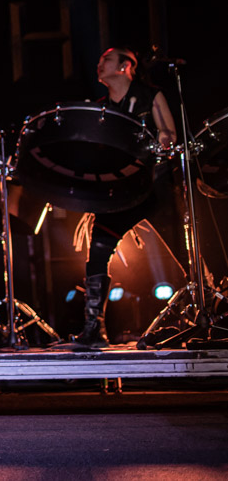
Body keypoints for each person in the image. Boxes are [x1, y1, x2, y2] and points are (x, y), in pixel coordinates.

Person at [70, 47, 178, 347]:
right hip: (118, 193)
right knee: (97, 252)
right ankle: (94, 326)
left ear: (125, 66)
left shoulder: (150, 96)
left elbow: (169, 133)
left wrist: (163, 140)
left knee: (184, 251)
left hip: (155, 187)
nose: (99, 64)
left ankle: (202, 310)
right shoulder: (100, 109)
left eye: (106, 59)